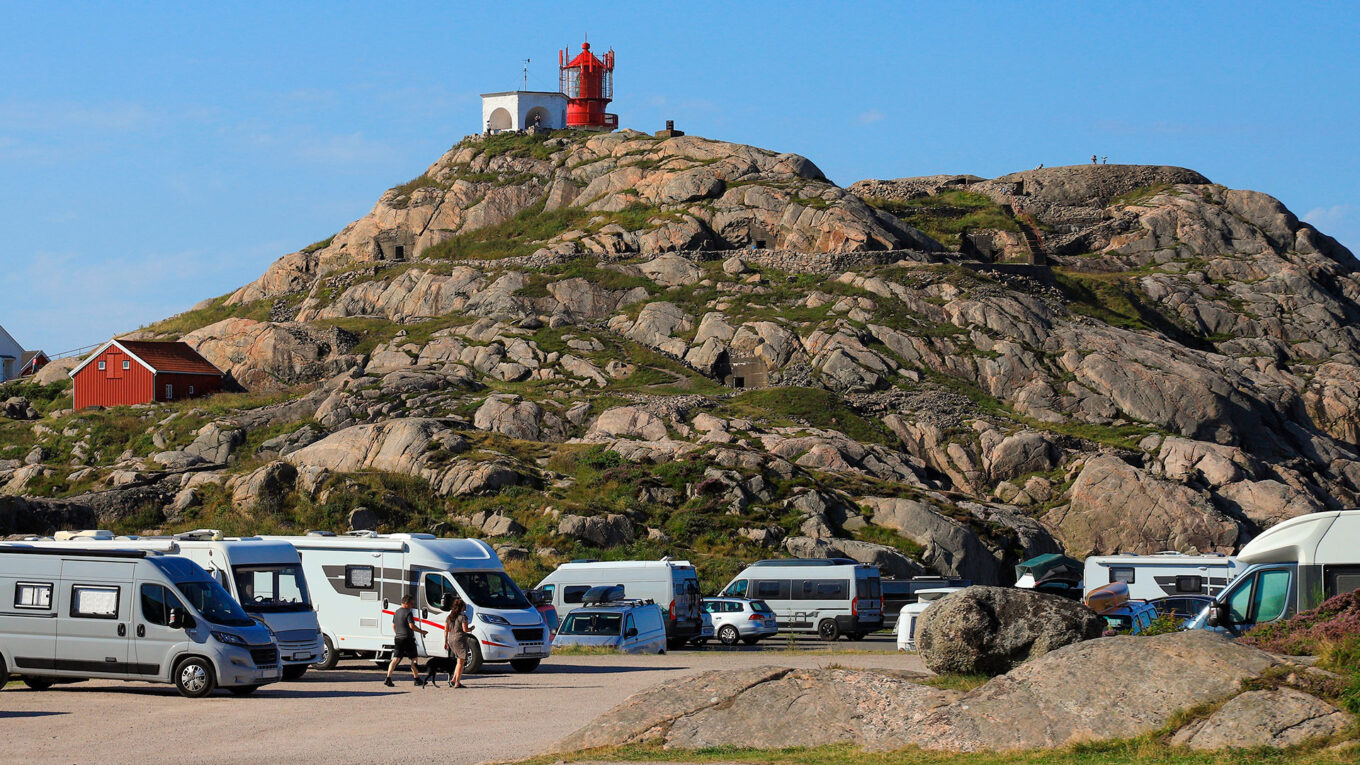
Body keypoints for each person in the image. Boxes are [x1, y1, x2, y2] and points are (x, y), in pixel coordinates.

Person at [383, 594, 427, 687]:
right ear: (406, 603)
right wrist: (422, 631)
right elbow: (411, 626)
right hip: (408, 639)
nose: (412, 606)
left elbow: (393, 625)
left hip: (398, 638)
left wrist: (397, 633)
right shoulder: (408, 613)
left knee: (395, 659)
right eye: (411, 604)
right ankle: (416, 679)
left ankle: (388, 678)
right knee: (414, 659)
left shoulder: (396, 612)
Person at [445, 595, 474, 689]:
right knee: (461, 662)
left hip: (451, 639)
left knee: (458, 660)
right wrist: (471, 628)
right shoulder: (463, 617)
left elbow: (446, 630)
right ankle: (457, 682)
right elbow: (465, 630)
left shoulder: (449, 617)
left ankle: (453, 679)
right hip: (460, 639)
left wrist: (445, 641)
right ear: (462, 607)